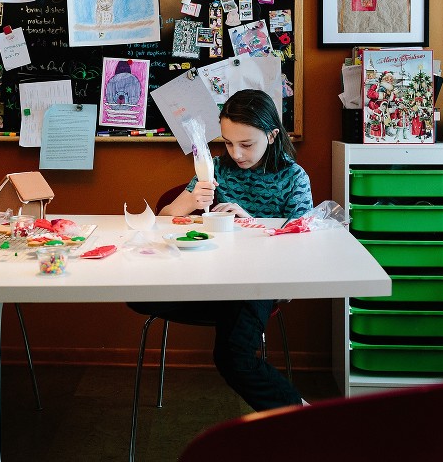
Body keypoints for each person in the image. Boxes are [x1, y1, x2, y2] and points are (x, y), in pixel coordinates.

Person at [129, 88, 313, 411]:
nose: (236, 154)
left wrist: (250, 221)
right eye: (228, 143)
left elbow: (301, 240)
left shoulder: (292, 177)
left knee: (233, 356)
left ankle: (298, 415)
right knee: (137, 293)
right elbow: (163, 219)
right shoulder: (216, 169)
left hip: (257, 281)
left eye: (246, 144)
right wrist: (191, 202)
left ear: (271, 136)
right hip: (211, 275)